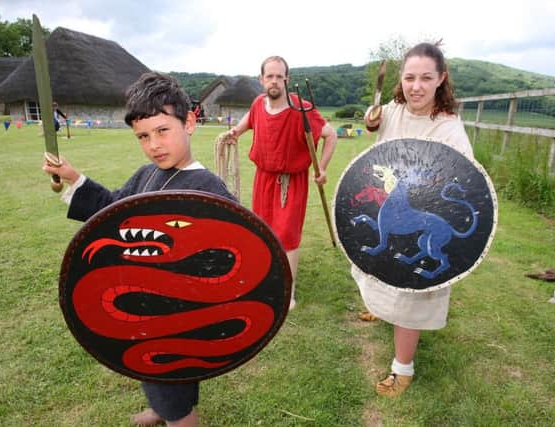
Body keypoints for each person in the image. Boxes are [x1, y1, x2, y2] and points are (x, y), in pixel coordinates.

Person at [43, 72, 237, 426]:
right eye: (143, 137)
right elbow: (111, 209)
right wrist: (75, 178)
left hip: (180, 314)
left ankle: (176, 416)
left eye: (163, 131)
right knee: (153, 371)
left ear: (189, 122)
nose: (154, 145)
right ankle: (160, 409)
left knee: (172, 379)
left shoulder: (208, 189)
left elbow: (235, 252)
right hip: (144, 303)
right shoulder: (146, 175)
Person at [356, 41, 474, 397]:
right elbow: (375, 129)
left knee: (411, 292)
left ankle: (402, 369)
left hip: (425, 214)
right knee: (378, 266)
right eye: (409, 77)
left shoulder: (449, 128)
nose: (416, 86)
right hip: (392, 206)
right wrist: (370, 120)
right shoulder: (393, 109)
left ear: (441, 78)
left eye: (425, 77)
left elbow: (462, 177)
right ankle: (380, 307)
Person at [223, 56, 338, 310]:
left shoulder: (302, 109)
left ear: (286, 79)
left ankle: (288, 290)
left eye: (279, 76)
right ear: (261, 79)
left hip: (291, 181)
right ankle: (266, 277)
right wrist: (235, 133)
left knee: (286, 234)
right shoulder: (257, 103)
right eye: (269, 76)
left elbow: (331, 136)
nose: (274, 81)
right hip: (263, 178)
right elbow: (249, 121)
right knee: (262, 230)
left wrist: (323, 168)